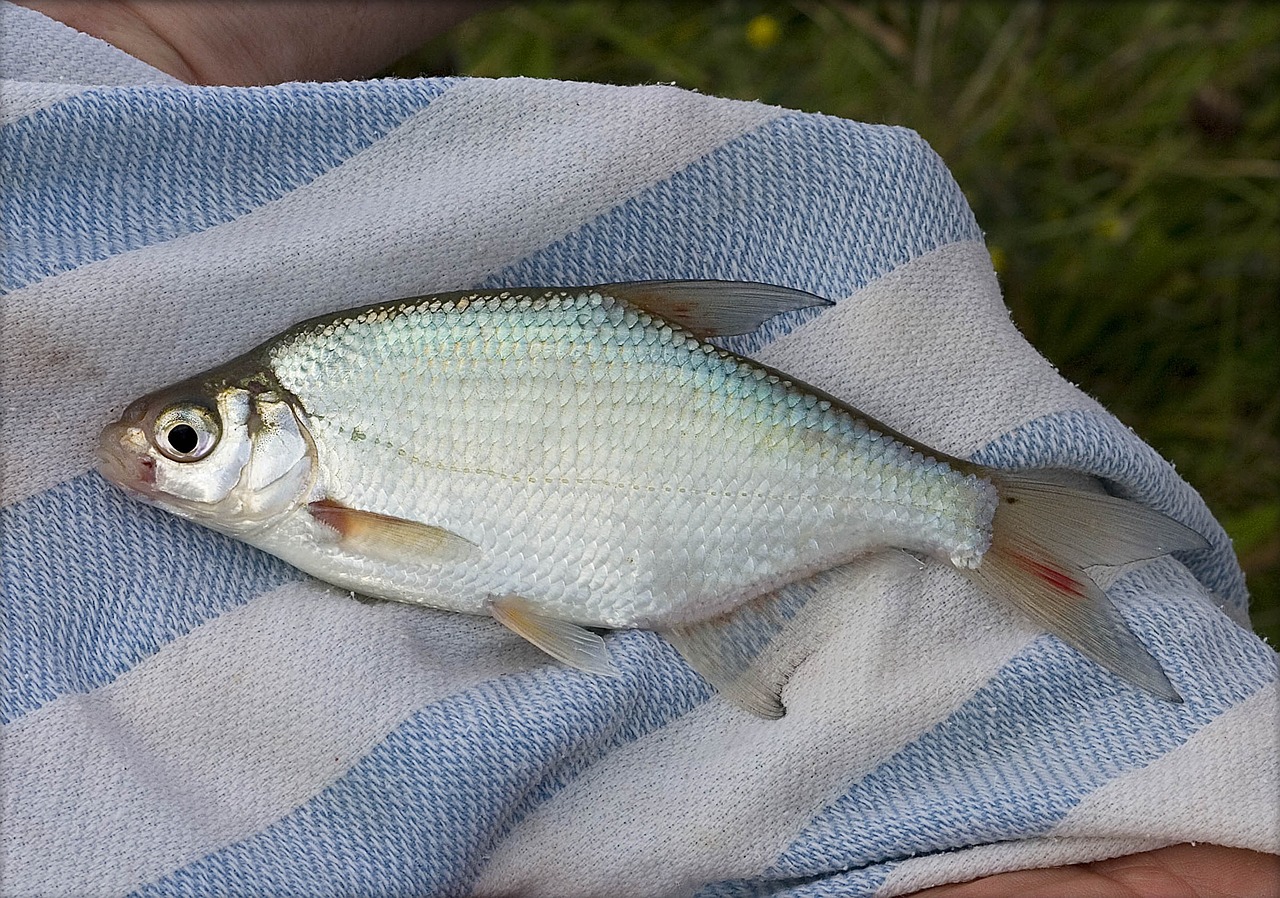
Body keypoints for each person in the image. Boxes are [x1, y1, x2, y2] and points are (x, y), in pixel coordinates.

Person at [5, 3, 1277, 897]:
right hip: (646, 538)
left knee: (956, 509)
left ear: (281, 429)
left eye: (184, 439)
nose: (155, 461)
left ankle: (974, 515)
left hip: (683, 512)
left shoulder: (322, 428)